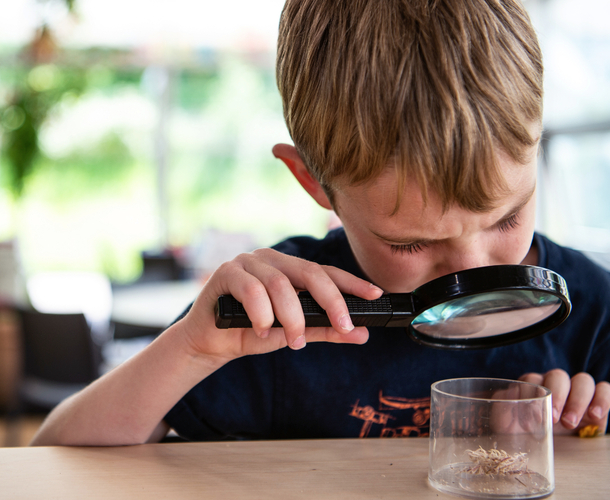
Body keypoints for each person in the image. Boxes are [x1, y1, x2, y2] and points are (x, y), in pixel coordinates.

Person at [31, 0, 610, 446]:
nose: (475, 270)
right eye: (410, 242)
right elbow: (57, 456)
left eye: (508, 216)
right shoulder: (278, 318)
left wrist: (582, 440)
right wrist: (192, 350)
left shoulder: (594, 312)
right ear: (315, 183)